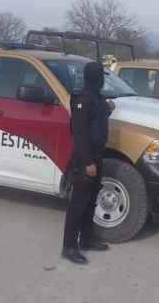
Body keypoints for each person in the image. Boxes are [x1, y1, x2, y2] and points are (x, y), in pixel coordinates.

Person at [62, 62, 114, 265]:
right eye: (101, 76)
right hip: (85, 159)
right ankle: (69, 247)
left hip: (97, 156)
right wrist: (88, 162)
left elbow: (97, 119)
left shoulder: (97, 99)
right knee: (78, 204)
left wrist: (108, 109)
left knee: (91, 201)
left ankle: (86, 239)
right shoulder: (82, 99)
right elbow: (80, 133)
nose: (102, 80)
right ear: (94, 78)